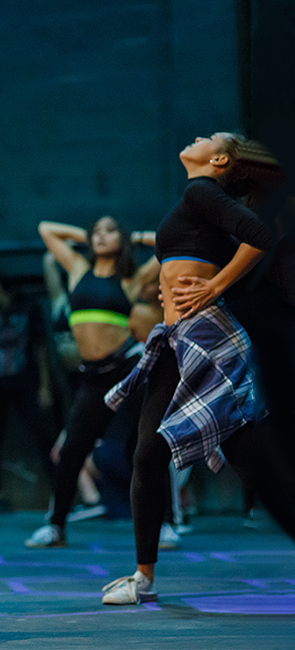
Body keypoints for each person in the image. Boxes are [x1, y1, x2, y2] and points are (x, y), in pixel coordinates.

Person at [102, 133, 288, 605]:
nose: (198, 137)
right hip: (177, 341)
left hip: (203, 339)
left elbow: (262, 238)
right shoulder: (204, 205)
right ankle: (143, 579)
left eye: (211, 138)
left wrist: (211, 289)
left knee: (246, 458)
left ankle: (144, 578)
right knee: (151, 453)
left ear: (218, 160)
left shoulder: (200, 191)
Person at [26, 215, 159, 548]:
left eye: (110, 231)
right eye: (97, 231)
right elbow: (46, 229)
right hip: (93, 378)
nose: (101, 237)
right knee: (72, 451)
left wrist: (136, 236)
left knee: (148, 446)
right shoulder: (77, 269)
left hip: (128, 370)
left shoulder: (131, 280)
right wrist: (87, 236)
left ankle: (167, 523)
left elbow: (173, 246)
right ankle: (56, 526)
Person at [0, 275, 56, 514]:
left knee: (43, 433)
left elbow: (41, 348)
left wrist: (44, 386)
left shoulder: (28, 309)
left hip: (25, 381)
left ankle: (59, 491)